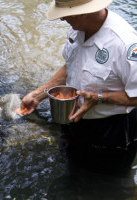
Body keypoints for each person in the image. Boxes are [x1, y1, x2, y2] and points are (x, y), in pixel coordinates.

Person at [20, 0, 137, 173]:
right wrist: (37, 95)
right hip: (74, 120)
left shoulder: (125, 44)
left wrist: (99, 98)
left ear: (83, 13)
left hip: (112, 130)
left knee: (107, 179)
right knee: (73, 168)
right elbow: (70, 66)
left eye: (65, 15)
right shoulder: (78, 29)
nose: (62, 20)